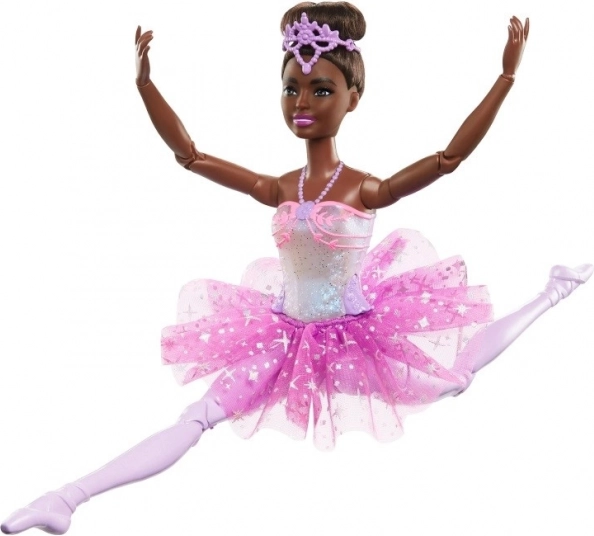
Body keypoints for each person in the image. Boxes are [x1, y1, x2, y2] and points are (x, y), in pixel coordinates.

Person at [2, 2, 591, 534]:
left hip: (357, 336)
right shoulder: (281, 186)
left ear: (353, 97)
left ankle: (553, 291)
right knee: (198, 416)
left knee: (453, 380)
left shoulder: (365, 188)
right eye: (291, 89)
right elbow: (191, 156)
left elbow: (448, 158)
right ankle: (65, 498)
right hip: (282, 335)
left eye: (320, 90)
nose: (302, 103)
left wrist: (505, 78)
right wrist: (145, 85)